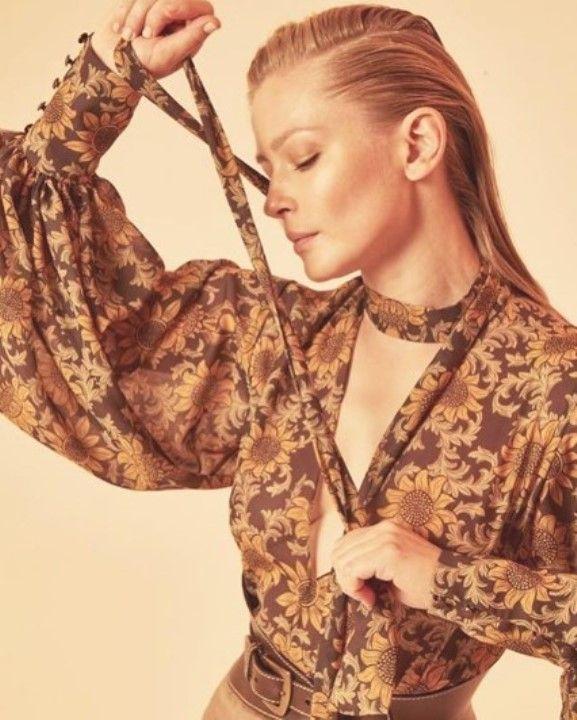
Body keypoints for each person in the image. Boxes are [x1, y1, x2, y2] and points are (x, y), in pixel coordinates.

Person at [1, 3, 576, 719]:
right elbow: (67, 325)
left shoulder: (551, 385)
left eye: (304, 158)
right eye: (270, 169)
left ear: (418, 144)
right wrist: (100, 84)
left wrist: (446, 579)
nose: (274, 200)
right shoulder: (274, 338)